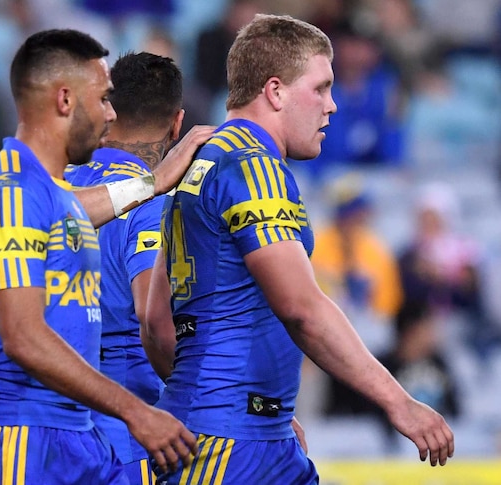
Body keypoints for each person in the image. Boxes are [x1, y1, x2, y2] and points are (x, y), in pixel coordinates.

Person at [147, 14, 454, 484]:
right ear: (275, 91)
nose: (332, 106)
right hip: (232, 448)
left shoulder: (199, 164)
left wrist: (260, 409)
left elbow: (157, 325)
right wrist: (399, 401)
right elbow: (302, 309)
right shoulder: (255, 166)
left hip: (237, 431)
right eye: (321, 87)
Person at [0, 29, 212, 485]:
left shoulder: (50, 194)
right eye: (104, 98)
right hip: (23, 441)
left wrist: (154, 182)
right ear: (66, 100)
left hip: (74, 434)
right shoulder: (12, 193)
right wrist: (136, 411)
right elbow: (24, 339)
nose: (112, 114)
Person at [63, 51, 183, 484]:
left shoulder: (55, 187)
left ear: (108, 112)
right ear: (177, 123)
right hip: (127, 435)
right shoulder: (152, 204)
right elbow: (152, 318)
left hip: (53, 424)